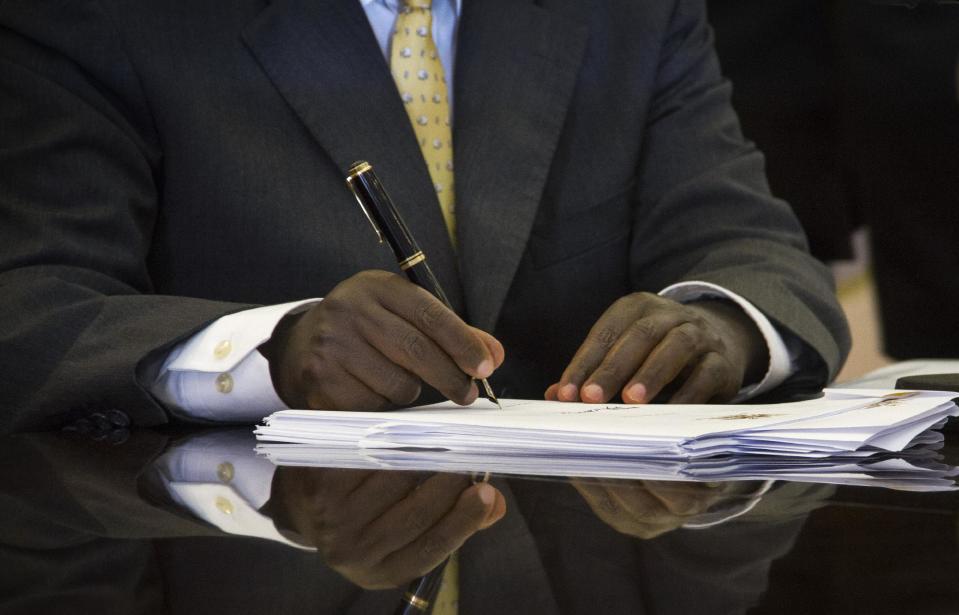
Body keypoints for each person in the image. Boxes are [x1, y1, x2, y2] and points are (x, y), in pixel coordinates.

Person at [0, 0, 850, 437]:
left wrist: (720, 327)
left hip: (587, 552)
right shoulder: (105, 15)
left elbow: (751, 249)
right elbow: (34, 308)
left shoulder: (626, 13)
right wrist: (269, 350)